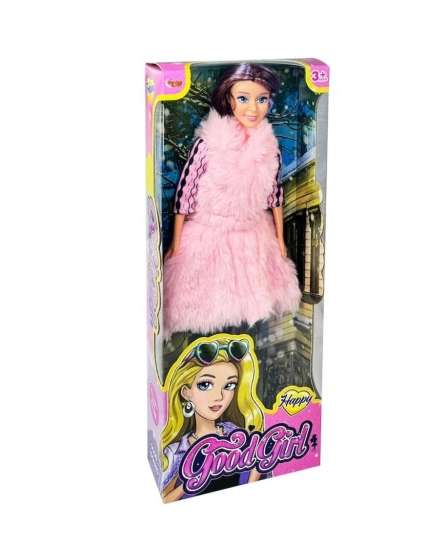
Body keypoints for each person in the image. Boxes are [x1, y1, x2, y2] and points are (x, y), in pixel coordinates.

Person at [162, 63, 302, 339]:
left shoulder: (268, 147)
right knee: (202, 298)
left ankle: (245, 344)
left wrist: (280, 238)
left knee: (252, 301)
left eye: (261, 99)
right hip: (209, 232)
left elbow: (274, 194)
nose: (253, 108)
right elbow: (186, 191)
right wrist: (176, 240)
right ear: (228, 98)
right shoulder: (209, 143)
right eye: (243, 98)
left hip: (253, 233)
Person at [160, 336, 265, 502]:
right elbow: (164, 499)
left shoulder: (237, 433)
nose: (219, 396)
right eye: (205, 384)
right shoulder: (176, 452)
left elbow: (260, 463)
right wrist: (193, 479)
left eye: (229, 385)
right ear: (186, 392)